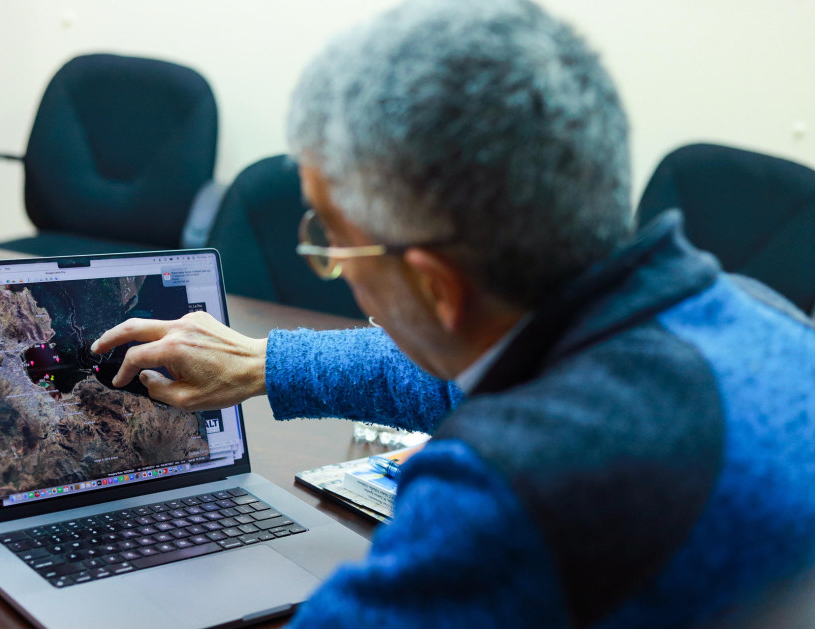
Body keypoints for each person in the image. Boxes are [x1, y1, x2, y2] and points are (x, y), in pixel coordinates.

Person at [92, 0, 815, 625]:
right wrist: (264, 362)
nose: (332, 264)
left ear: (435, 287)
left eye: (332, 245)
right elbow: (471, 367)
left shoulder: (509, 490)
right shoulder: (761, 320)